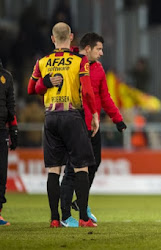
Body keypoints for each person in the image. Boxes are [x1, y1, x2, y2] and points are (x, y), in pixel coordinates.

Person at [35, 33, 127, 227]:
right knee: (71, 171)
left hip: (92, 125)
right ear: (87, 49)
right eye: (99, 49)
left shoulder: (99, 69)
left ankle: (80, 204)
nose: (102, 53)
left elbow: (105, 96)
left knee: (93, 163)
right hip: (75, 123)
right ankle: (66, 214)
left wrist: (117, 119)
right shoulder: (74, 63)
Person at [28, 22, 99, 228]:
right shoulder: (80, 60)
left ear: (52, 39)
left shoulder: (42, 61)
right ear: (71, 37)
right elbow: (86, 91)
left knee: (53, 169)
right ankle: (84, 219)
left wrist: (47, 82)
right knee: (81, 167)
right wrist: (94, 114)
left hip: (50, 116)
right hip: (72, 115)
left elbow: (31, 88)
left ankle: (54, 219)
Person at [0, 59, 18, 226]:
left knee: (1, 174)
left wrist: (14, 130)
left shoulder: (6, 77)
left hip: (1, 132)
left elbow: (11, 106)